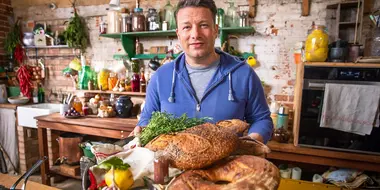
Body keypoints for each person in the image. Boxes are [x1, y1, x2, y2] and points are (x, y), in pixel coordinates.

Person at [131, 0, 273, 143]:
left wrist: (252, 141)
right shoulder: (161, 77)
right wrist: (140, 131)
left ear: (215, 30)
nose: (195, 34)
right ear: (178, 34)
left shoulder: (243, 74)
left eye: (203, 25)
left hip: (228, 163)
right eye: (187, 27)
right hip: (172, 163)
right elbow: (146, 120)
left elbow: (261, 120)